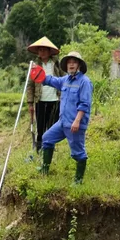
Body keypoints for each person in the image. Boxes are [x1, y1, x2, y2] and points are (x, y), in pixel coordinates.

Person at [29, 51, 93, 185]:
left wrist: (77, 121)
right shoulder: (65, 80)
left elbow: (85, 104)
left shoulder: (84, 82)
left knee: (78, 153)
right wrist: (37, 71)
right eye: (69, 62)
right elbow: (50, 80)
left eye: (74, 62)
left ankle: (78, 181)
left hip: (74, 124)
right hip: (62, 123)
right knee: (47, 138)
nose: (71, 64)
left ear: (79, 65)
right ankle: (45, 169)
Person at [25, 36, 64, 156]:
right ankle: (39, 149)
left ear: (49, 51)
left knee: (52, 126)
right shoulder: (35, 66)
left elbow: (64, 80)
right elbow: (30, 85)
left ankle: (50, 149)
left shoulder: (56, 64)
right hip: (40, 100)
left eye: (44, 50)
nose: (42, 52)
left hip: (55, 99)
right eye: (40, 50)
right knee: (40, 126)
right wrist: (30, 103)